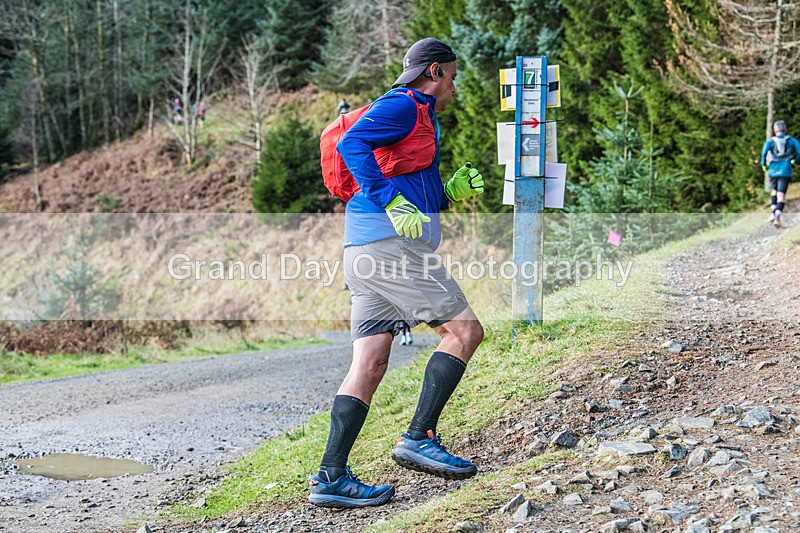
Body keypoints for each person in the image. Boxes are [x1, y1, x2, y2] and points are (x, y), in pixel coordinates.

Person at [308, 38, 486, 509]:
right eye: (453, 76)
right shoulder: (406, 105)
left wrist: (445, 192)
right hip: (390, 248)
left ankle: (331, 476)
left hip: (364, 251)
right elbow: (352, 143)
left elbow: (403, 175)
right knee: (465, 332)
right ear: (435, 71)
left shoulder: (416, 116)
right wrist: (390, 201)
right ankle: (418, 437)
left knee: (369, 364)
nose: (454, 86)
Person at [761, 120, 800, 227]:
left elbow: (764, 154)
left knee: (774, 191)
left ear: (774, 130)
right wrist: (795, 161)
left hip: (772, 171)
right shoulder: (791, 140)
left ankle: (773, 214)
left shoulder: (770, 142)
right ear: (785, 130)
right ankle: (777, 218)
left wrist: (764, 165)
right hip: (785, 170)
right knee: (781, 194)